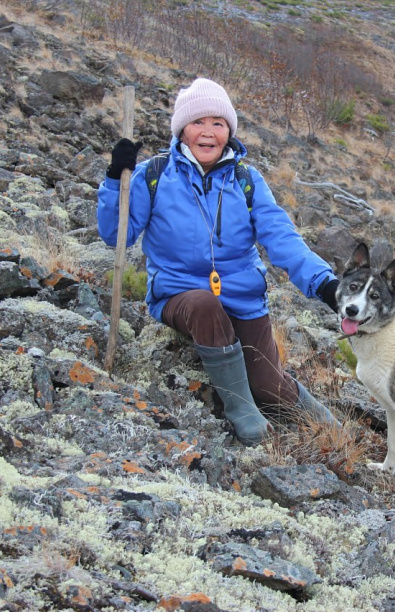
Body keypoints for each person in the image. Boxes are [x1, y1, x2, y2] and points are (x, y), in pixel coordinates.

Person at [97, 77, 340, 446]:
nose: (208, 132)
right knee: (205, 305)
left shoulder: (247, 180)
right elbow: (117, 236)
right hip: (179, 294)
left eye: (218, 123)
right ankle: (239, 408)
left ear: (229, 130)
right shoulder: (154, 175)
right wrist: (117, 179)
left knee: (269, 386)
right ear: (182, 129)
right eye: (198, 122)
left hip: (242, 297)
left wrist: (325, 284)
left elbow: (282, 238)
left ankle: (328, 423)